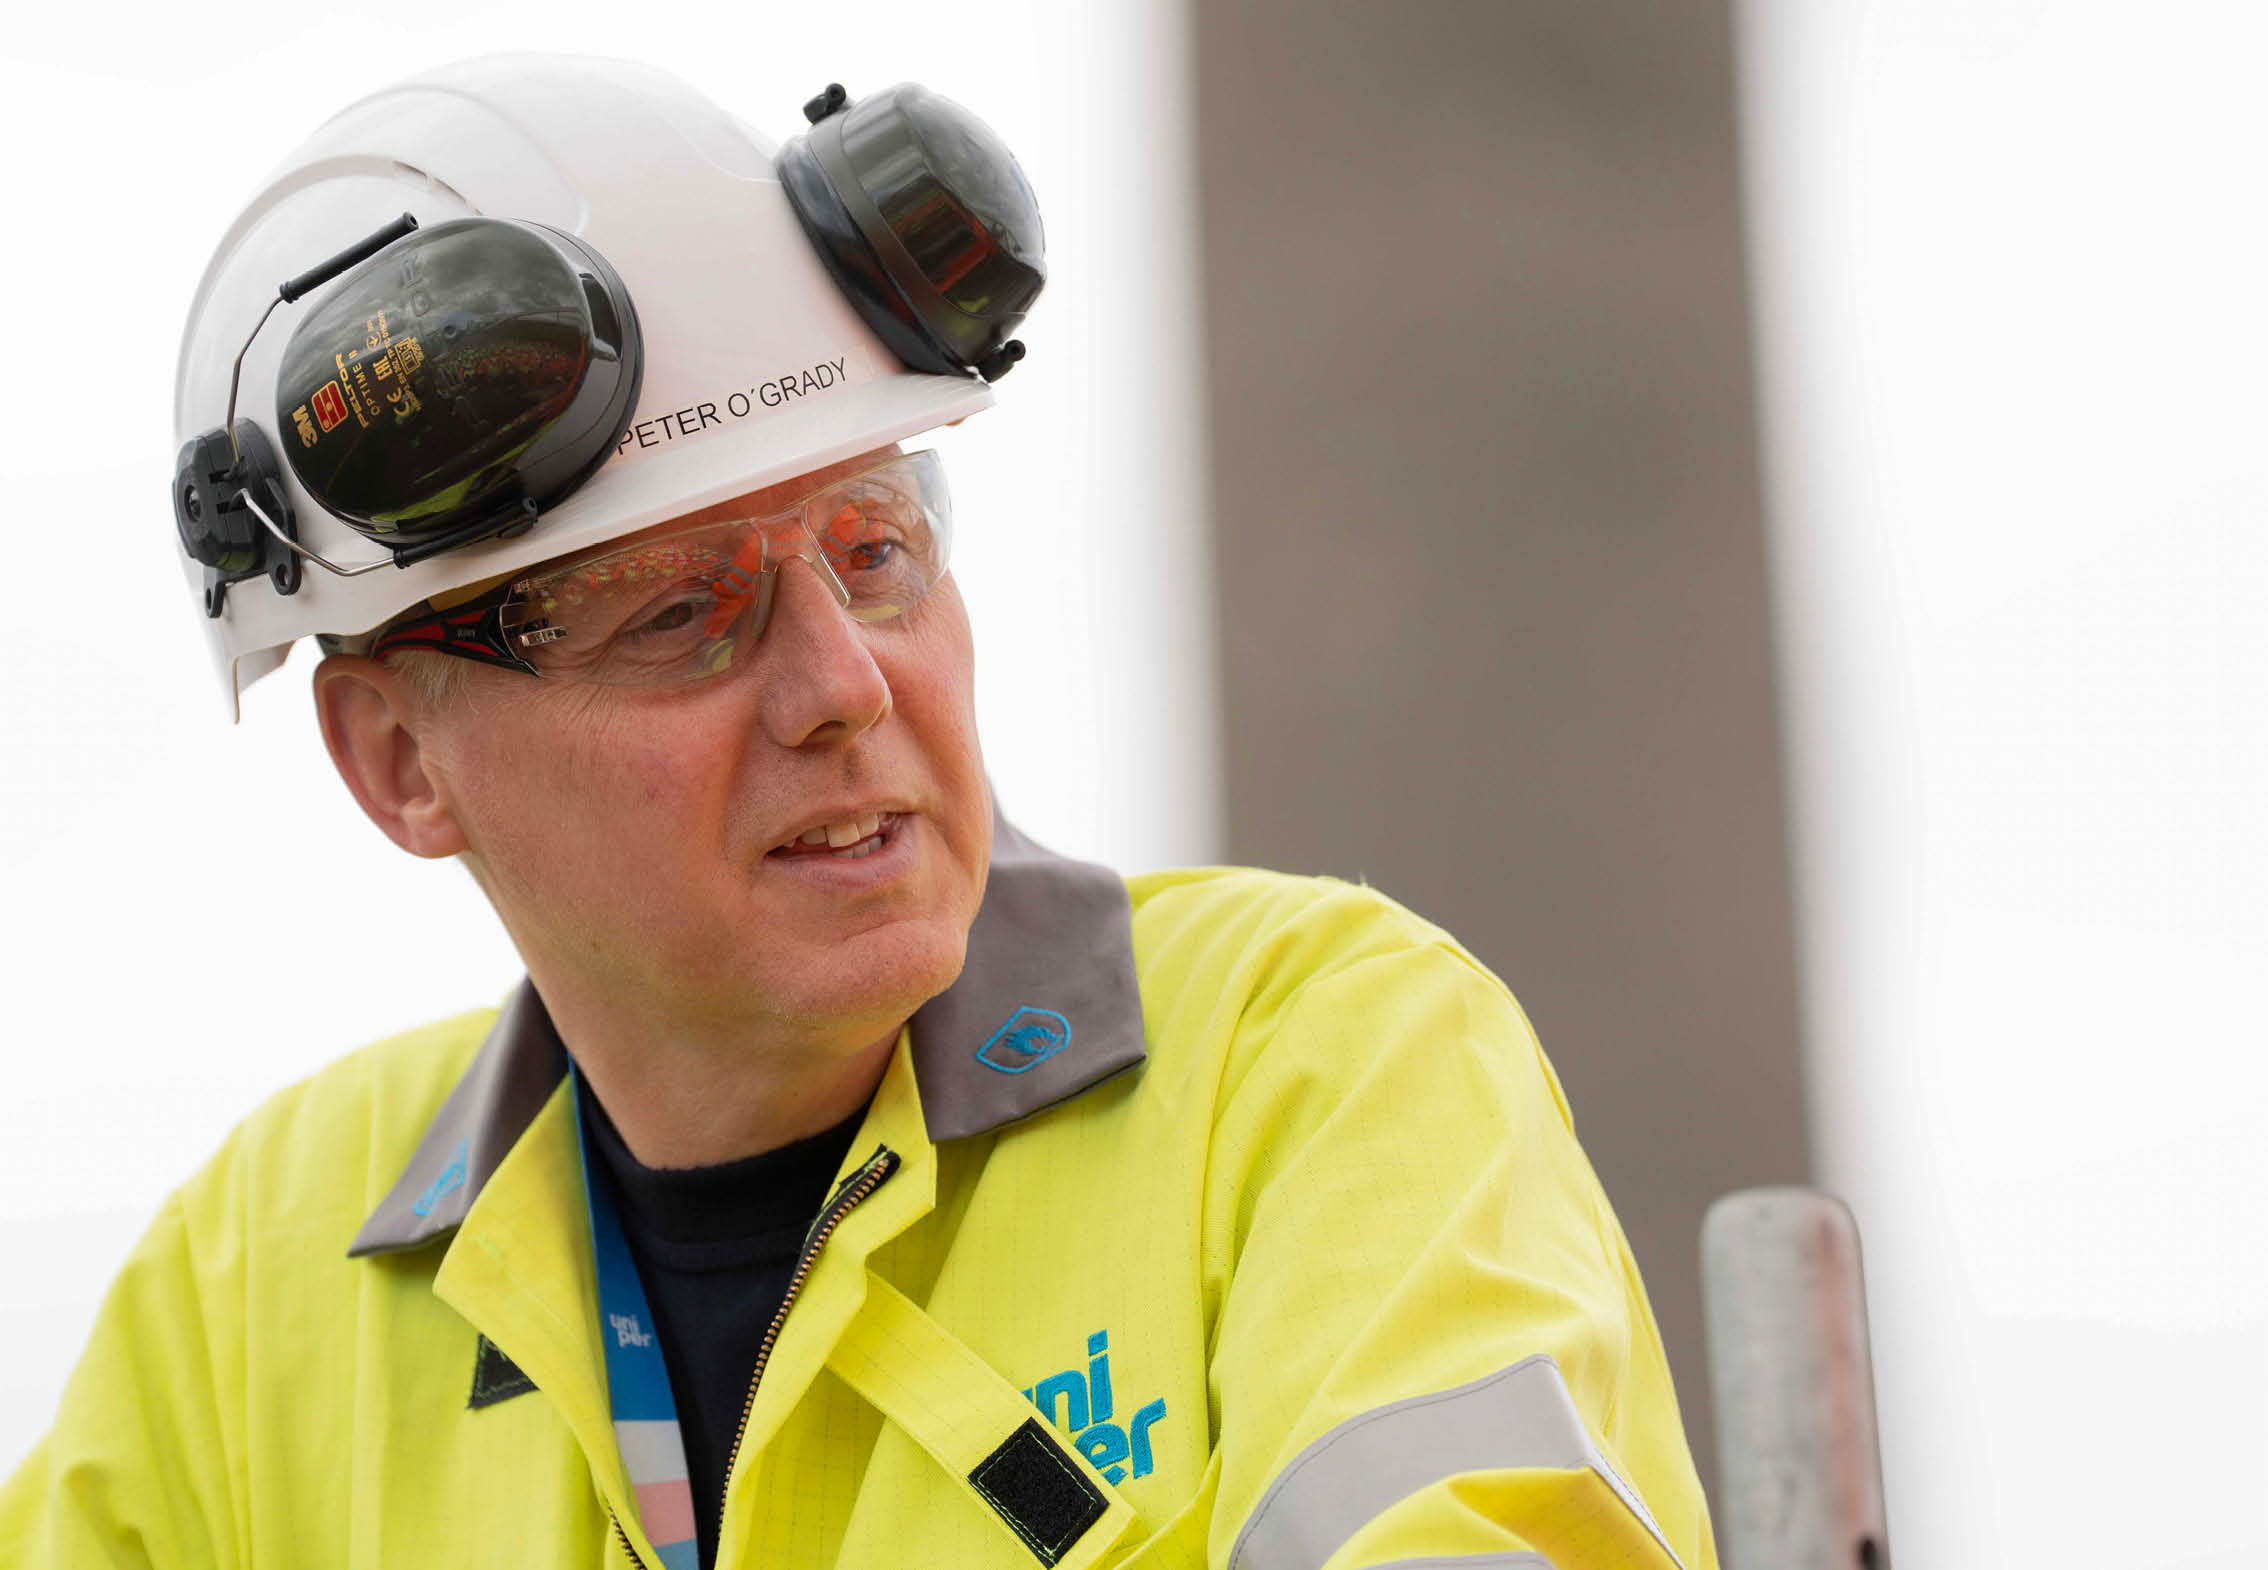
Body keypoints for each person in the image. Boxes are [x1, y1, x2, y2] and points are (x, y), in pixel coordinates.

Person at [0, 54, 1717, 1570]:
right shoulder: (253, 1291)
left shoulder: (1309, 1070)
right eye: (683, 610)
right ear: (398, 760)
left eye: (875, 551)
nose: (844, 682)